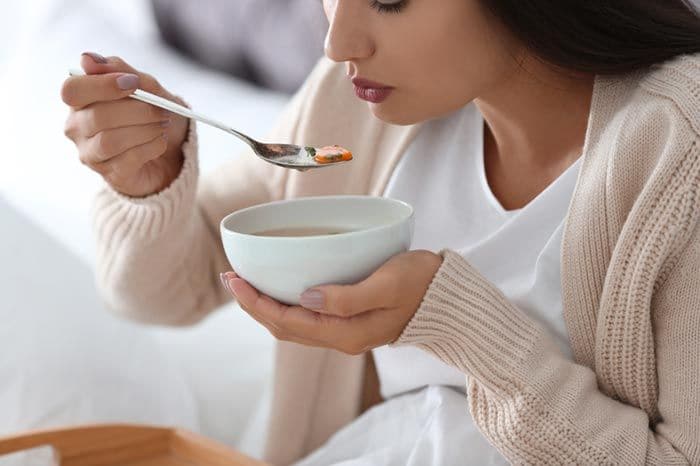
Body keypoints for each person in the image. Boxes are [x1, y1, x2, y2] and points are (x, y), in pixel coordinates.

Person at [61, 0, 700, 464]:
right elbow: (158, 293)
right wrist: (150, 179)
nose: (338, 43)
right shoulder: (360, 104)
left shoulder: (679, 150)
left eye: (389, 1)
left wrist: (456, 323)